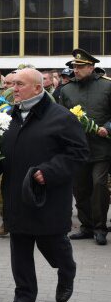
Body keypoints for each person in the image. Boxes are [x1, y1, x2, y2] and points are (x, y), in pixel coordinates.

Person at [0, 68, 88, 302]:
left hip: (47, 198)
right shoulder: (8, 116)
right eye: (12, 84)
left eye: (19, 84)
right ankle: (24, 297)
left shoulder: (60, 117)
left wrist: (49, 172)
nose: (13, 89)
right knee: (19, 247)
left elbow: (79, 154)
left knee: (53, 244)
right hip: (17, 195)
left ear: (38, 88)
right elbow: (3, 152)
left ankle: (67, 269)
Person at [58, 48, 110, 246]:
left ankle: (100, 227)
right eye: (74, 66)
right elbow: (61, 118)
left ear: (91, 67)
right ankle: (86, 226)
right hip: (77, 148)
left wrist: (107, 128)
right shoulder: (67, 89)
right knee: (80, 188)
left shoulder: (107, 87)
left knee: (98, 184)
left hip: (101, 147)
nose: (75, 70)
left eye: (80, 66)